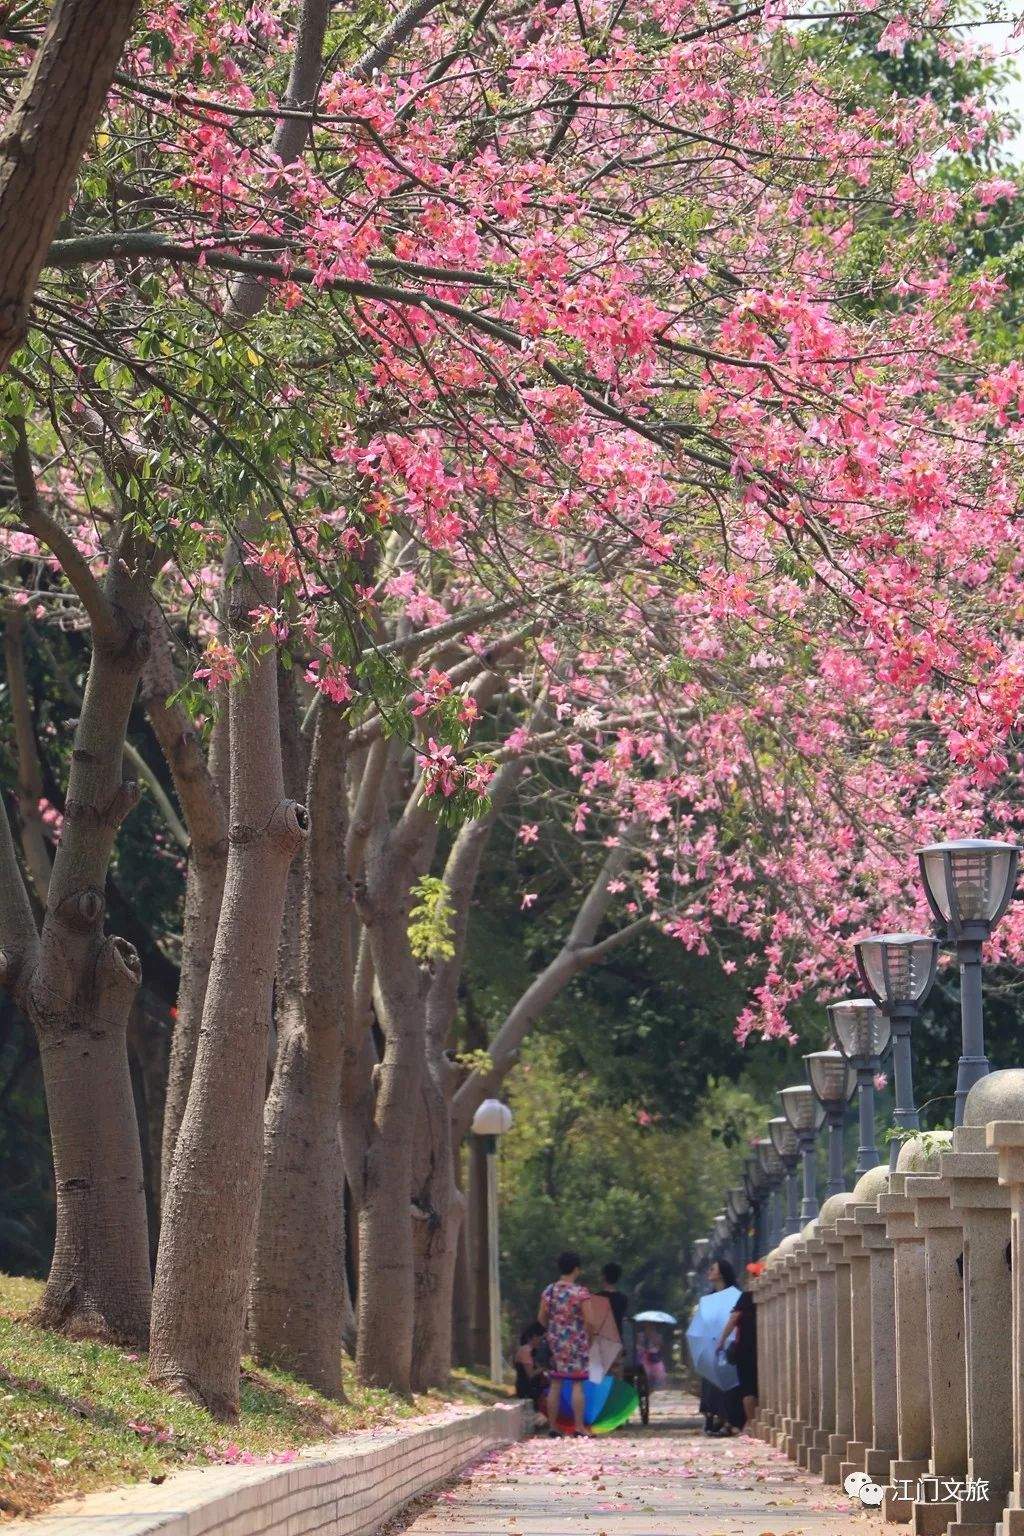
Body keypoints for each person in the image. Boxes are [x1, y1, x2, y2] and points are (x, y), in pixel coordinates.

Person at [539, 1250, 591, 1436]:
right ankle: (579, 1427)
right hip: (576, 1342)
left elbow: (541, 1318)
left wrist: (554, 1328)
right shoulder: (580, 1292)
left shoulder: (549, 1291)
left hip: (555, 1342)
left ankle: (553, 1426)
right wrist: (587, 1337)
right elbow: (589, 1320)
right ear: (576, 1269)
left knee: (555, 1383)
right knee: (577, 1385)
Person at [718, 1288, 758, 1427]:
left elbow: (734, 1318)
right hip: (763, 1347)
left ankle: (753, 1425)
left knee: (748, 1388)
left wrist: (721, 1340)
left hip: (745, 1349)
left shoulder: (747, 1296)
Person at [514, 1321, 548, 1408]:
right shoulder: (526, 1350)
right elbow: (530, 1374)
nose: (541, 1342)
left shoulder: (534, 1351)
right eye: (541, 1338)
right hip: (526, 1389)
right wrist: (543, 1368)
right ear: (533, 1337)